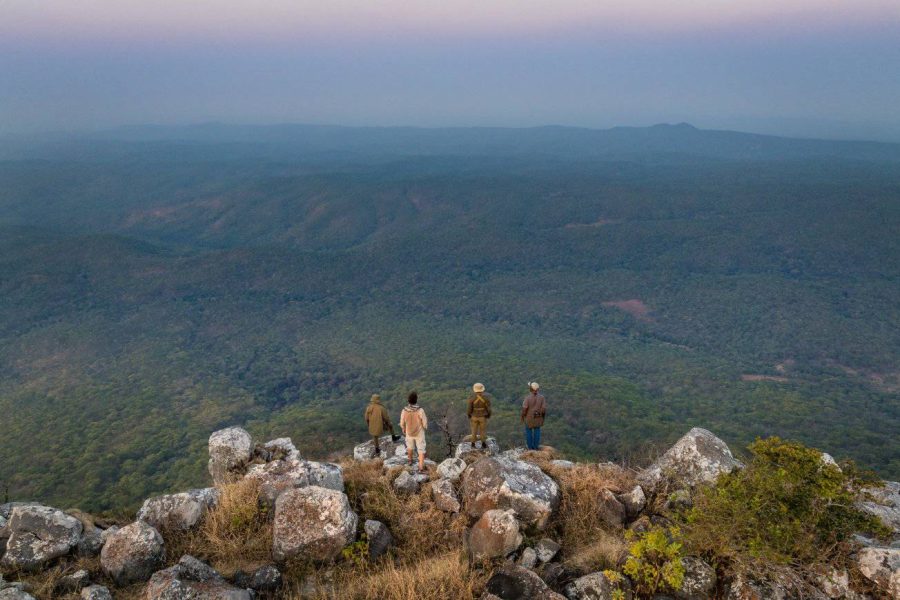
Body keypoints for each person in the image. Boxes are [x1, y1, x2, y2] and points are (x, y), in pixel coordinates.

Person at [400, 391, 428, 470]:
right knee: (421, 449)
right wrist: (425, 427)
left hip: (409, 432)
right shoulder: (420, 410)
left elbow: (402, 422)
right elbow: (425, 423)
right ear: (416, 400)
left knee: (409, 446)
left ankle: (410, 460)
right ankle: (421, 467)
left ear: (408, 400)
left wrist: (403, 428)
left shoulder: (404, 410)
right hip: (419, 432)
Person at [521, 382, 546, 450]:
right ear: (538, 389)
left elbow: (524, 409)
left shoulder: (527, 398)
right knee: (537, 431)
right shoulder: (542, 397)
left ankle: (530, 448)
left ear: (530, 389)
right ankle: (535, 447)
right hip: (538, 417)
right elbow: (543, 409)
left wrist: (522, 417)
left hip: (529, 418)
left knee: (529, 432)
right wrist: (542, 418)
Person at [466, 383, 492, 449]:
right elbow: (489, 409)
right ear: (482, 390)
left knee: (473, 430)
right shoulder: (486, 398)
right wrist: (488, 415)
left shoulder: (471, 398)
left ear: (474, 390)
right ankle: (483, 444)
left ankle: (473, 444)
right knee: (482, 431)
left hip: (474, 416)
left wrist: (469, 415)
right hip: (483, 417)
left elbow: (469, 409)